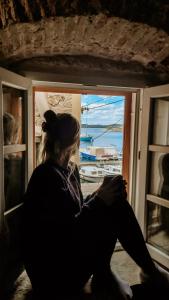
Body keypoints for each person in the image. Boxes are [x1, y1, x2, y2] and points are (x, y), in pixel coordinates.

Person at [21, 110, 169, 300]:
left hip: (70, 253)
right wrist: (100, 200)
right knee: (115, 208)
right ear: (75, 141)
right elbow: (64, 233)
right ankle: (140, 272)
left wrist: (101, 193)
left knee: (115, 201)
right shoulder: (45, 176)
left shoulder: (70, 169)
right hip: (54, 275)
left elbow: (78, 211)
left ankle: (116, 272)